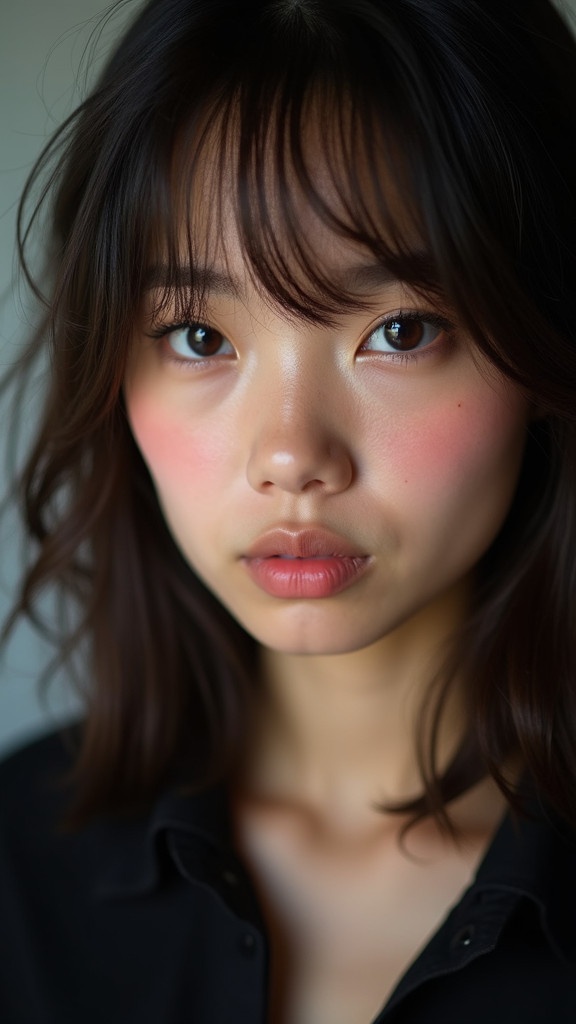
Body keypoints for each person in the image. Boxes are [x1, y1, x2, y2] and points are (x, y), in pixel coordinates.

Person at [2, 0, 576, 1020]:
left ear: (544, 353)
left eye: (400, 330)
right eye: (198, 337)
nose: (290, 455)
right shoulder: (17, 871)